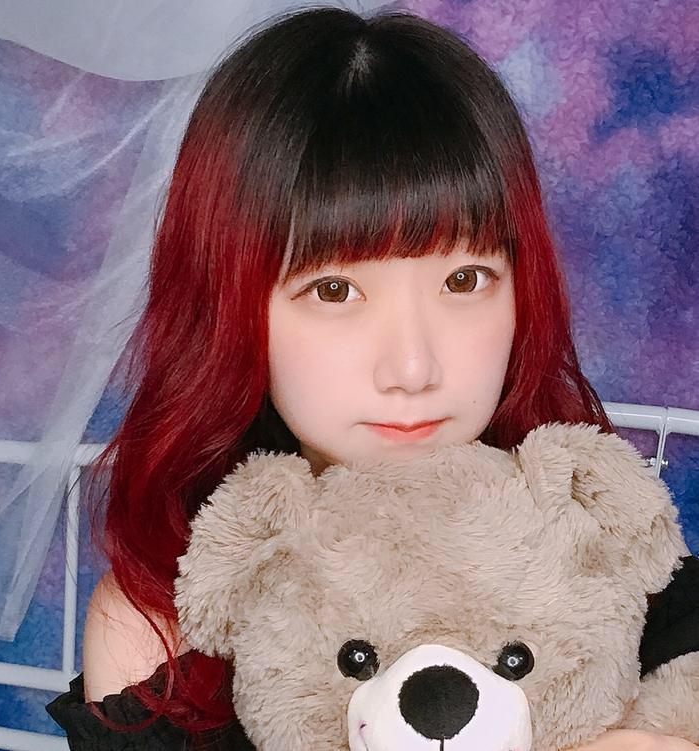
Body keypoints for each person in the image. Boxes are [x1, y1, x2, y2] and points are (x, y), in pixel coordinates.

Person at [45, 5, 699, 750]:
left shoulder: (601, 543)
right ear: (229, 305)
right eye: (334, 291)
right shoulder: (158, 624)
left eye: (465, 279)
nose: (413, 368)